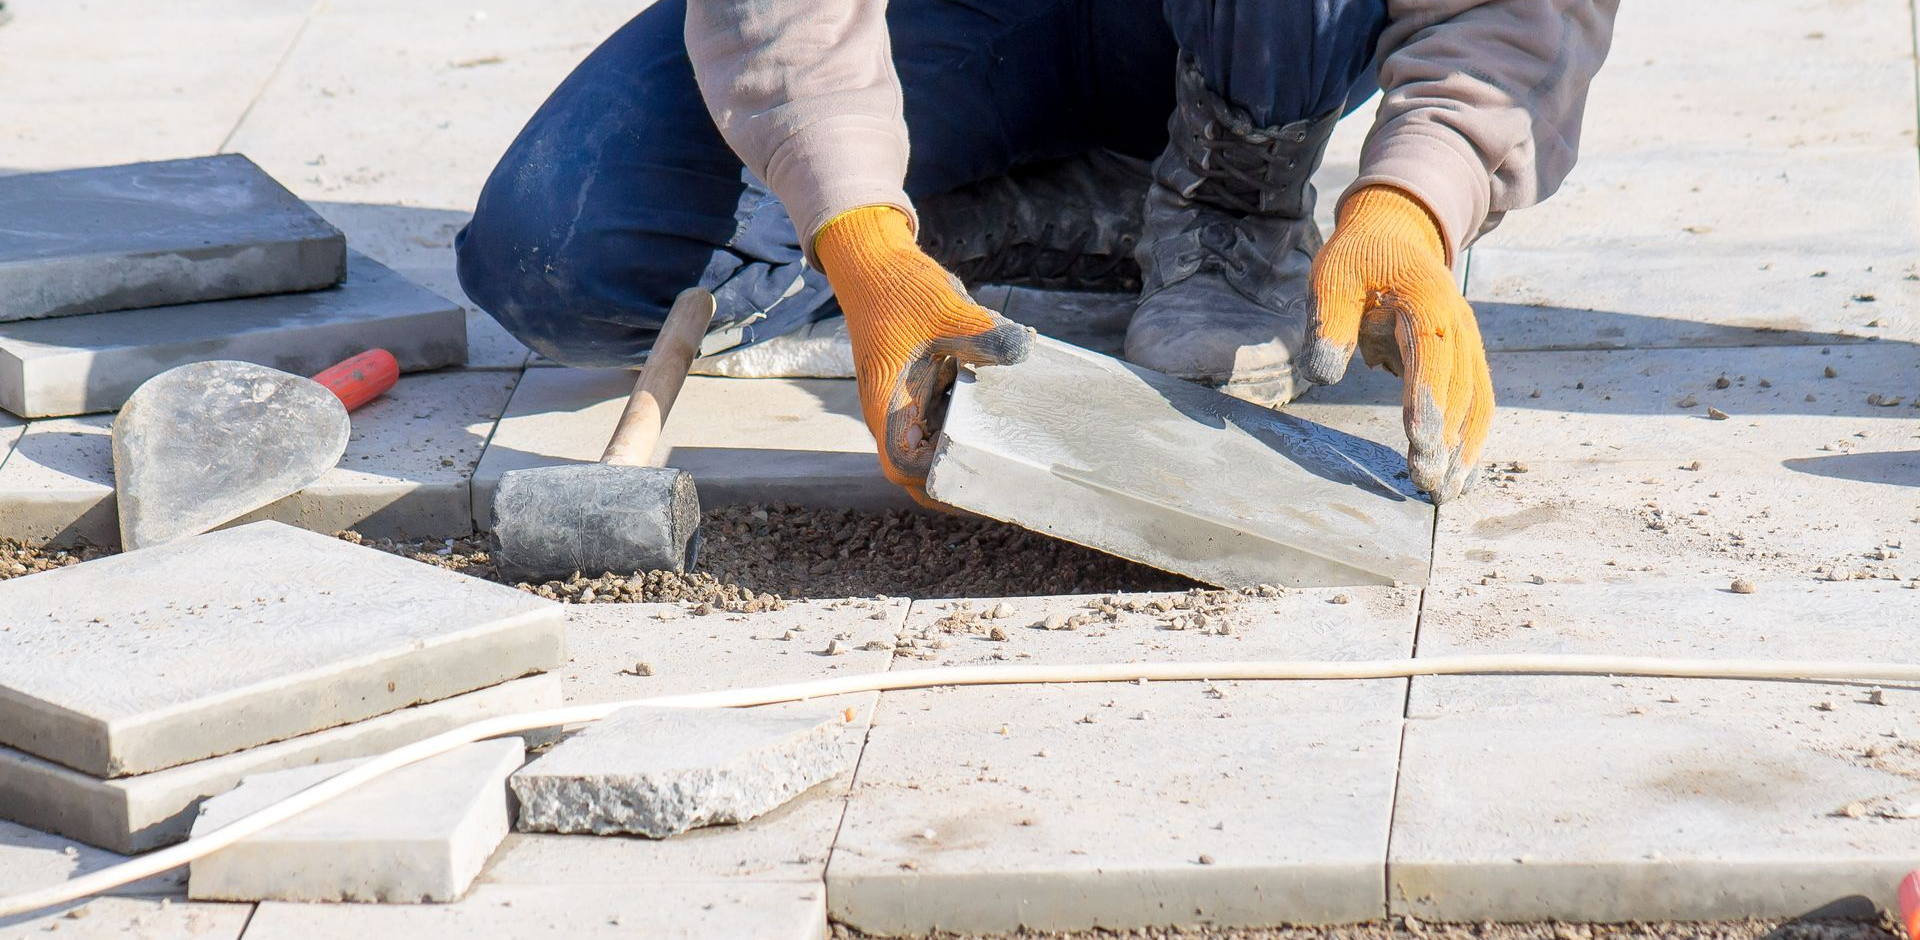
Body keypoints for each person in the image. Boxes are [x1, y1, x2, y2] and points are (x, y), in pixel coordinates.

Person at [458, 1, 1618, 505]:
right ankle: (1058, 204)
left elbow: (1518, 8)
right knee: (564, 251)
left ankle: (1228, 192)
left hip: (1259, 26)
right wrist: (859, 237)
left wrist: (1418, 198)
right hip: (967, 18)